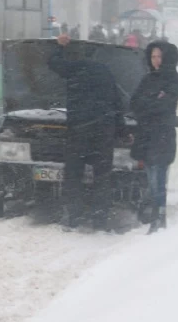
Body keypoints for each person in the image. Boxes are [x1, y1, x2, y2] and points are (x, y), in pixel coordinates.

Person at [49, 33, 127, 231]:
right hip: (103, 133)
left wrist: (59, 46)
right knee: (102, 176)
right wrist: (123, 132)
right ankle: (99, 218)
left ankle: (73, 216)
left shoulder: (75, 70)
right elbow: (118, 104)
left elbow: (53, 63)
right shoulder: (107, 73)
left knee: (74, 175)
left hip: (79, 132)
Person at [130, 40, 178, 234]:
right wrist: (152, 101)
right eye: (152, 56)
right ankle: (152, 213)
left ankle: (159, 217)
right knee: (149, 176)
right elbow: (134, 102)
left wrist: (148, 104)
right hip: (146, 134)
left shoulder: (174, 80)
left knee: (158, 179)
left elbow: (165, 106)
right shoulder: (147, 79)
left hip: (162, 135)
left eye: (159, 56)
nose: (156, 60)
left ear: (167, 57)